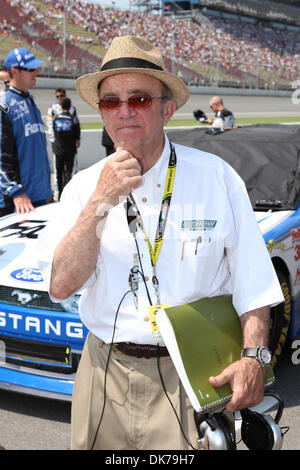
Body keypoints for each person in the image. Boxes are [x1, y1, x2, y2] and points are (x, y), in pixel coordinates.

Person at [36, 35, 284, 450]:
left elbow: (254, 283)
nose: (125, 111)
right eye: (111, 101)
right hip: (104, 373)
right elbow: (61, 285)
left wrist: (255, 358)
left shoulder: (216, 177)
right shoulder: (82, 188)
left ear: (167, 109)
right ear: (101, 112)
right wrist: (101, 200)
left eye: (140, 99)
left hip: (195, 376)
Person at [0, 48, 52, 216]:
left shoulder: (29, 100)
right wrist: (15, 191)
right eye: (31, 69)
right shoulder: (5, 106)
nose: (36, 72)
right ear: (15, 71)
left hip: (39, 196)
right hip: (19, 201)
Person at [47, 87, 80, 200]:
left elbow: (76, 123)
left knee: (71, 171)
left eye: (61, 96)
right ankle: (57, 192)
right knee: (58, 171)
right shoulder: (52, 108)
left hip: (70, 145)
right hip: (58, 144)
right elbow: (50, 125)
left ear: (65, 96)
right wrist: (52, 140)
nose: (60, 98)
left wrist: (77, 139)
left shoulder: (73, 107)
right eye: (58, 96)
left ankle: (70, 193)